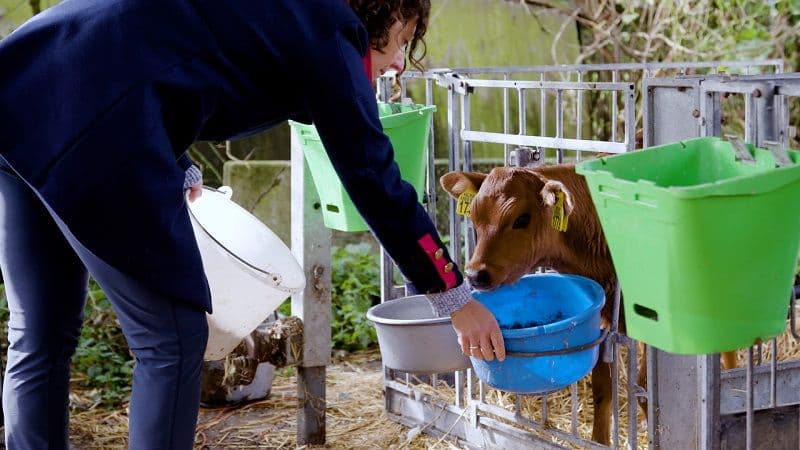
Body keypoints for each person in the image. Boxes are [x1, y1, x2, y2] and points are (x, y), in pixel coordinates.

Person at [0, 0, 505, 448]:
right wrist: (453, 297)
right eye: (401, 38)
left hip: (22, 87)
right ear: (382, 10)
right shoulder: (331, 27)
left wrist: (173, 158)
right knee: (172, 340)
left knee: (40, 332)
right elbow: (373, 176)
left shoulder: (284, 13)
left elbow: (154, 46)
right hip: (95, 124)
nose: (398, 62)